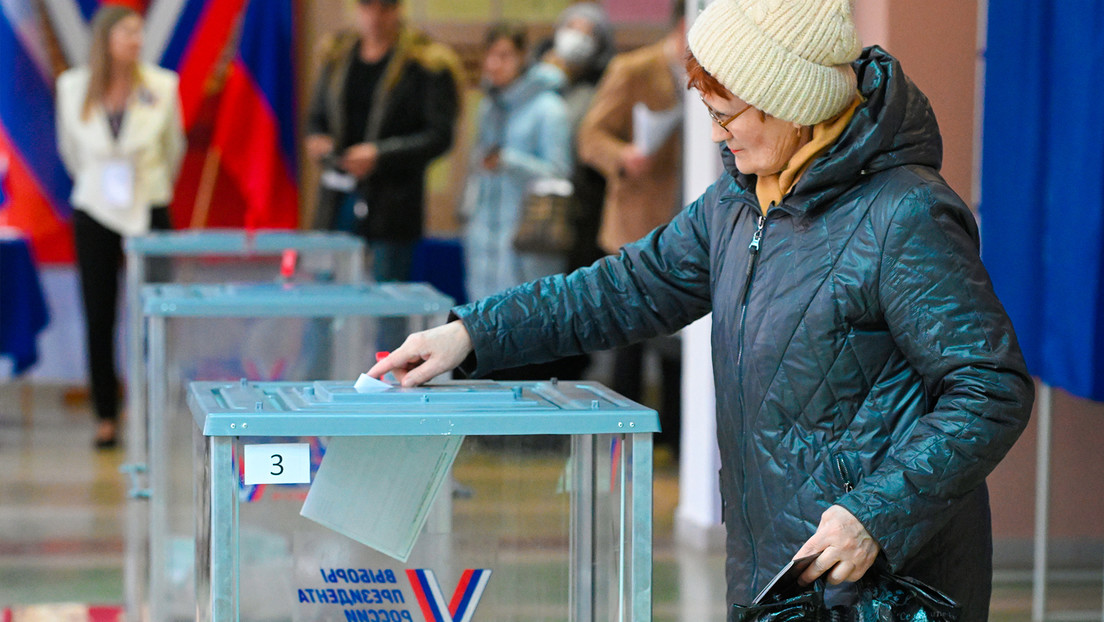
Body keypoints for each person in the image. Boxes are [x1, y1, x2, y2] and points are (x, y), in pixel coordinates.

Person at [370, 0, 1034, 619]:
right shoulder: (738, 201)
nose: (717, 132)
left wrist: (875, 516)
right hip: (774, 566)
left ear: (790, 101)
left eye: (728, 114)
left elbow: (990, 387)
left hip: (878, 578)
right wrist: (471, 334)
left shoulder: (905, 214)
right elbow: (621, 289)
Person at [56, 4, 185, 449]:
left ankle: (150, 406)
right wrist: (100, 184)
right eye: (127, 32)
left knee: (154, 313)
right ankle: (105, 414)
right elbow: (70, 151)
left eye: (139, 32)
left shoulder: (162, 86)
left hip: (149, 206)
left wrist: (147, 187)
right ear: (106, 39)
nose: (136, 40)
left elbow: (174, 149)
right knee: (99, 313)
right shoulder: (73, 88)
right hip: (94, 210)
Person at [576, 1, 688, 454]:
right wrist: (623, 156)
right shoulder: (633, 69)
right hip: (635, 228)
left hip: (683, 226)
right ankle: (622, 447)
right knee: (631, 341)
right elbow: (590, 136)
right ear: (685, 24)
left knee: (679, 341)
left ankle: (677, 442)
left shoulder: (716, 72)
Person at [305, 0, 462, 286]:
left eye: (385, 7)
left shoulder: (426, 63)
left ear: (398, 9)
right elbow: (316, 117)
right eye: (367, 6)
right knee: (323, 294)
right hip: (337, 194)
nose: (375, 17)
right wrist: (318, 140)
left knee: (389, 298)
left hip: (393, 202)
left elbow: (440, 135)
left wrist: (381, 155)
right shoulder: (338, 55)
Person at [462, 23, 571, 303]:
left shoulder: (549, 108)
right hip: (484, 235)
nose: (494, 64)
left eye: (505, 55)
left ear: (523, 57)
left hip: (529, 238)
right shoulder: (489, 107)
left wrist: (509, 162)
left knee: (527, 321)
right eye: (490, 55)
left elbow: (559, 175)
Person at [532, 2, 615, 272]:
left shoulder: (603, 89)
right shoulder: (536, 80)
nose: (577, 37)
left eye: (588, 32)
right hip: (534, 205)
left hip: (582, 209)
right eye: (571, 28)